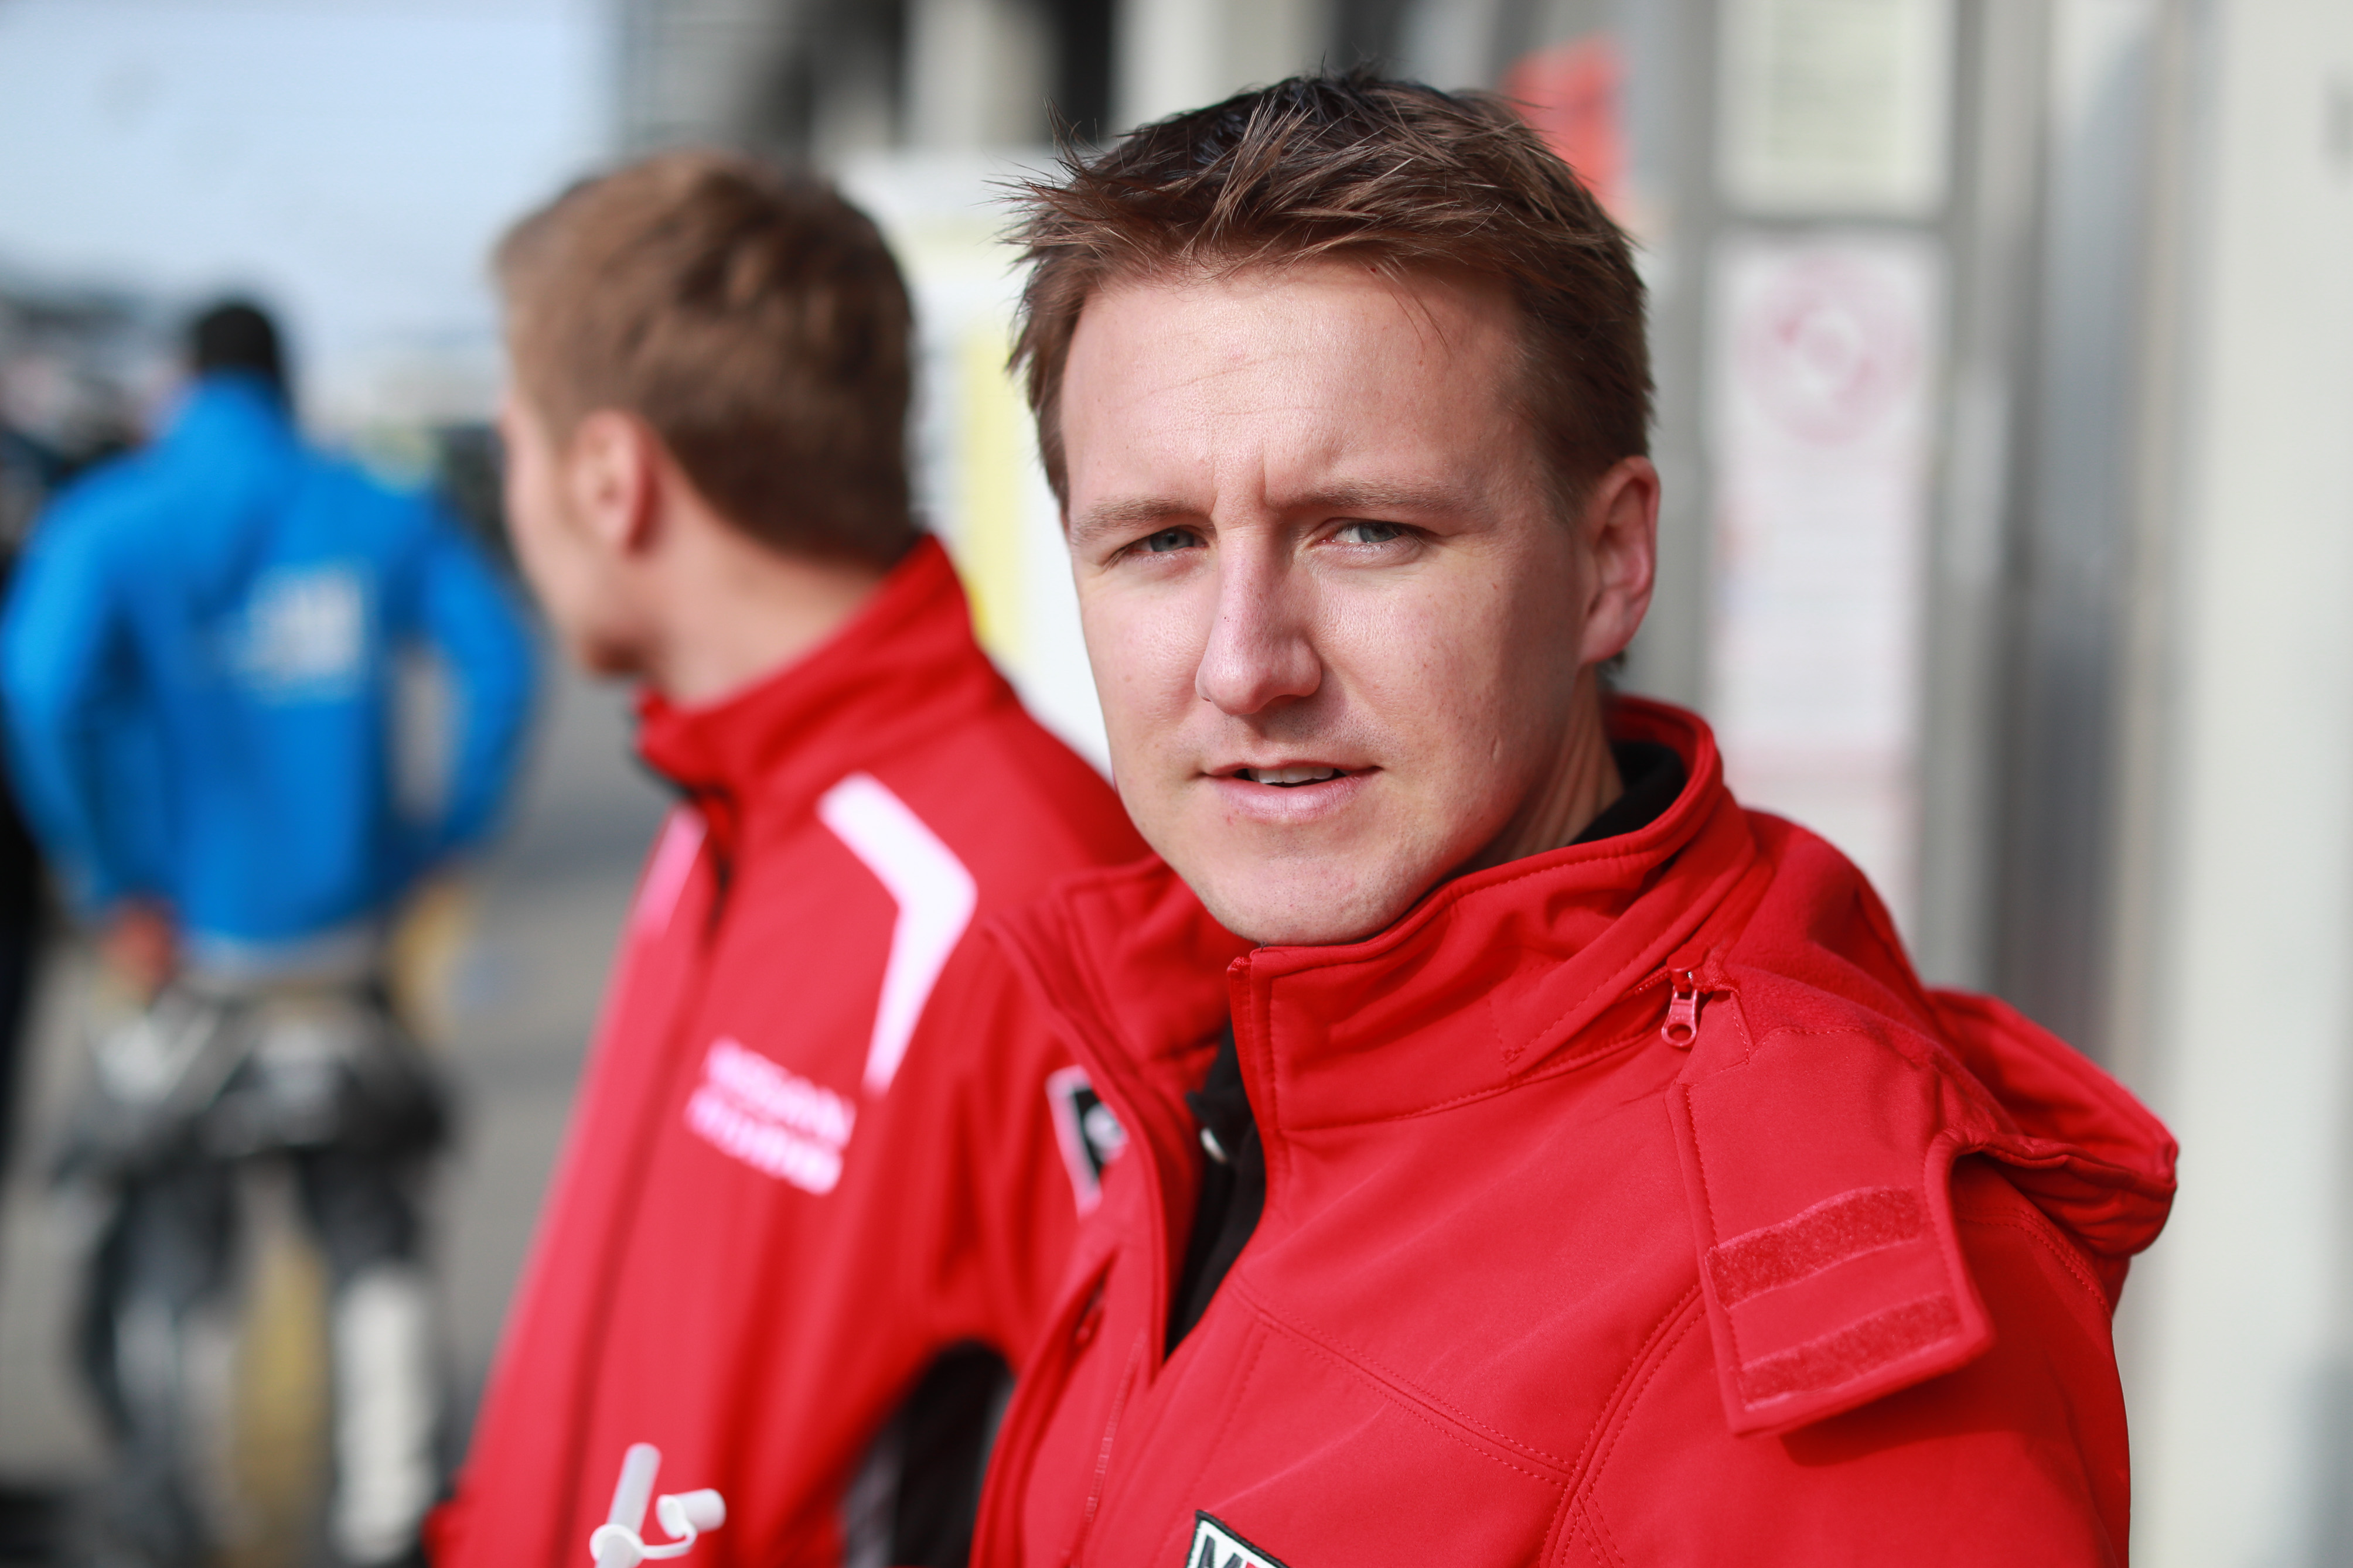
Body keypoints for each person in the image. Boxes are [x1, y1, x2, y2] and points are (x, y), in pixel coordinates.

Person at [966, 74, 2179, 1566]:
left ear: (1609, 561)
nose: (1244, 666)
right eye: (1159, 542)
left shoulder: (1808, 1289)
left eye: (1367, 531)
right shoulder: (1190, 1040)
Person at [429, 152, 1143, 1568]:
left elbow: (1139, 1481)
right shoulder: (721, 806)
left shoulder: (1028, 896)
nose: (511, 496)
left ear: (610, 480)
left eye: (513, 444)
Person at [0, 300, 538, 1568]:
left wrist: (110, 878)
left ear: (184, 383)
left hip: (181, 955)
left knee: (176, 1242)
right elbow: (501, 663)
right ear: (285, 382)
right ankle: (391, 1518)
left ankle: (176, 1519)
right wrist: (439, 840)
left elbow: (40, 686)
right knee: (373, 1236)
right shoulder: (372, 508)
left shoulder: (114, 518)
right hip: (346, 946)